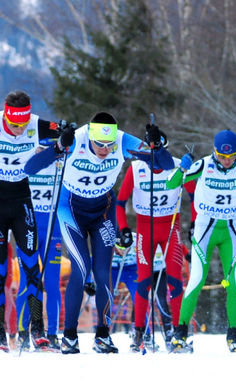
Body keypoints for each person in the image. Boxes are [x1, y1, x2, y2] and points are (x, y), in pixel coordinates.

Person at [25, 111, 174, 354]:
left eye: (109, 144)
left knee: (103, 272)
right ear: (90, 137)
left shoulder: (123, 141)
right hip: (70, 208)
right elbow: (31, 168)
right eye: (99, 144)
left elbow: (165, 165)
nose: (105, 149)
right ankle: (70, 336)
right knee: (81, 267)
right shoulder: (76, 139)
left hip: (103, 211)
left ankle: (103, 334)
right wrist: (59, 146)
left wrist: (156, 145)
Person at [166, 129, 236, 353]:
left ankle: (233, 334)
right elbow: (172, 185)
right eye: (221, 156)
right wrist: (183, 168)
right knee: (197, 279)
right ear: (214, 152)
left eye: (230, 157)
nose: (226, 161)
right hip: (205, 227)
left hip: (230, 228)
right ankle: (180, 332)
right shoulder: (204, 164)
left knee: (233, 282)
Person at [116, 133, 195, 352]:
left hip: (171, 227)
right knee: (144, 281)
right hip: (145, 229)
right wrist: (123, 228)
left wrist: (195, 224)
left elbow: (194, 196)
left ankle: (178, 333)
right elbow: (120, 203)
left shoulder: (179, 167)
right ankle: (139, 332)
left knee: (175, 281)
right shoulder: (136, 169)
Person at [0, 90, 63, 351]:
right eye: (13, 125)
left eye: (22, 125)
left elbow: (67, 133)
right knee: (1, 269)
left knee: (31, 265)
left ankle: (37, 330)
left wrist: (63, 139)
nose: (18, 130)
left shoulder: (36, 125)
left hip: (23, 200)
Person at [15, 137, 63, 350]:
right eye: (40, 149)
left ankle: (52, 334)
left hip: (54, 229)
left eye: (47, 149)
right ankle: (24, 332)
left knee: (52, 282)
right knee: (28, 281)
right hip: (28, 226)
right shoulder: (27, 165)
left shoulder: (61, 166)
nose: (43, 153)